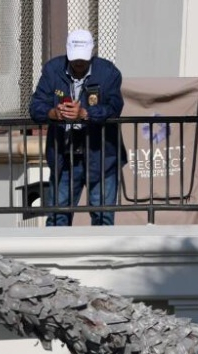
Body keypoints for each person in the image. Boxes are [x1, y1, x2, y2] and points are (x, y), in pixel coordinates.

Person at [29, 29, 127, 226]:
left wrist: (85, 114)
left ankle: (102, 256)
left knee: (103, 216)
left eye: (83, 58)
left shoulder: (108, 72)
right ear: (67, 52)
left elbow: (114, 107)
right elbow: (36, 105)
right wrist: (53, 114)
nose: (79, 63)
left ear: (92, 52)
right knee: (58, 216)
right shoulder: (52, 70)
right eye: (75, 58)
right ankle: (56, 255)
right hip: (64, 157)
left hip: (101, 157)